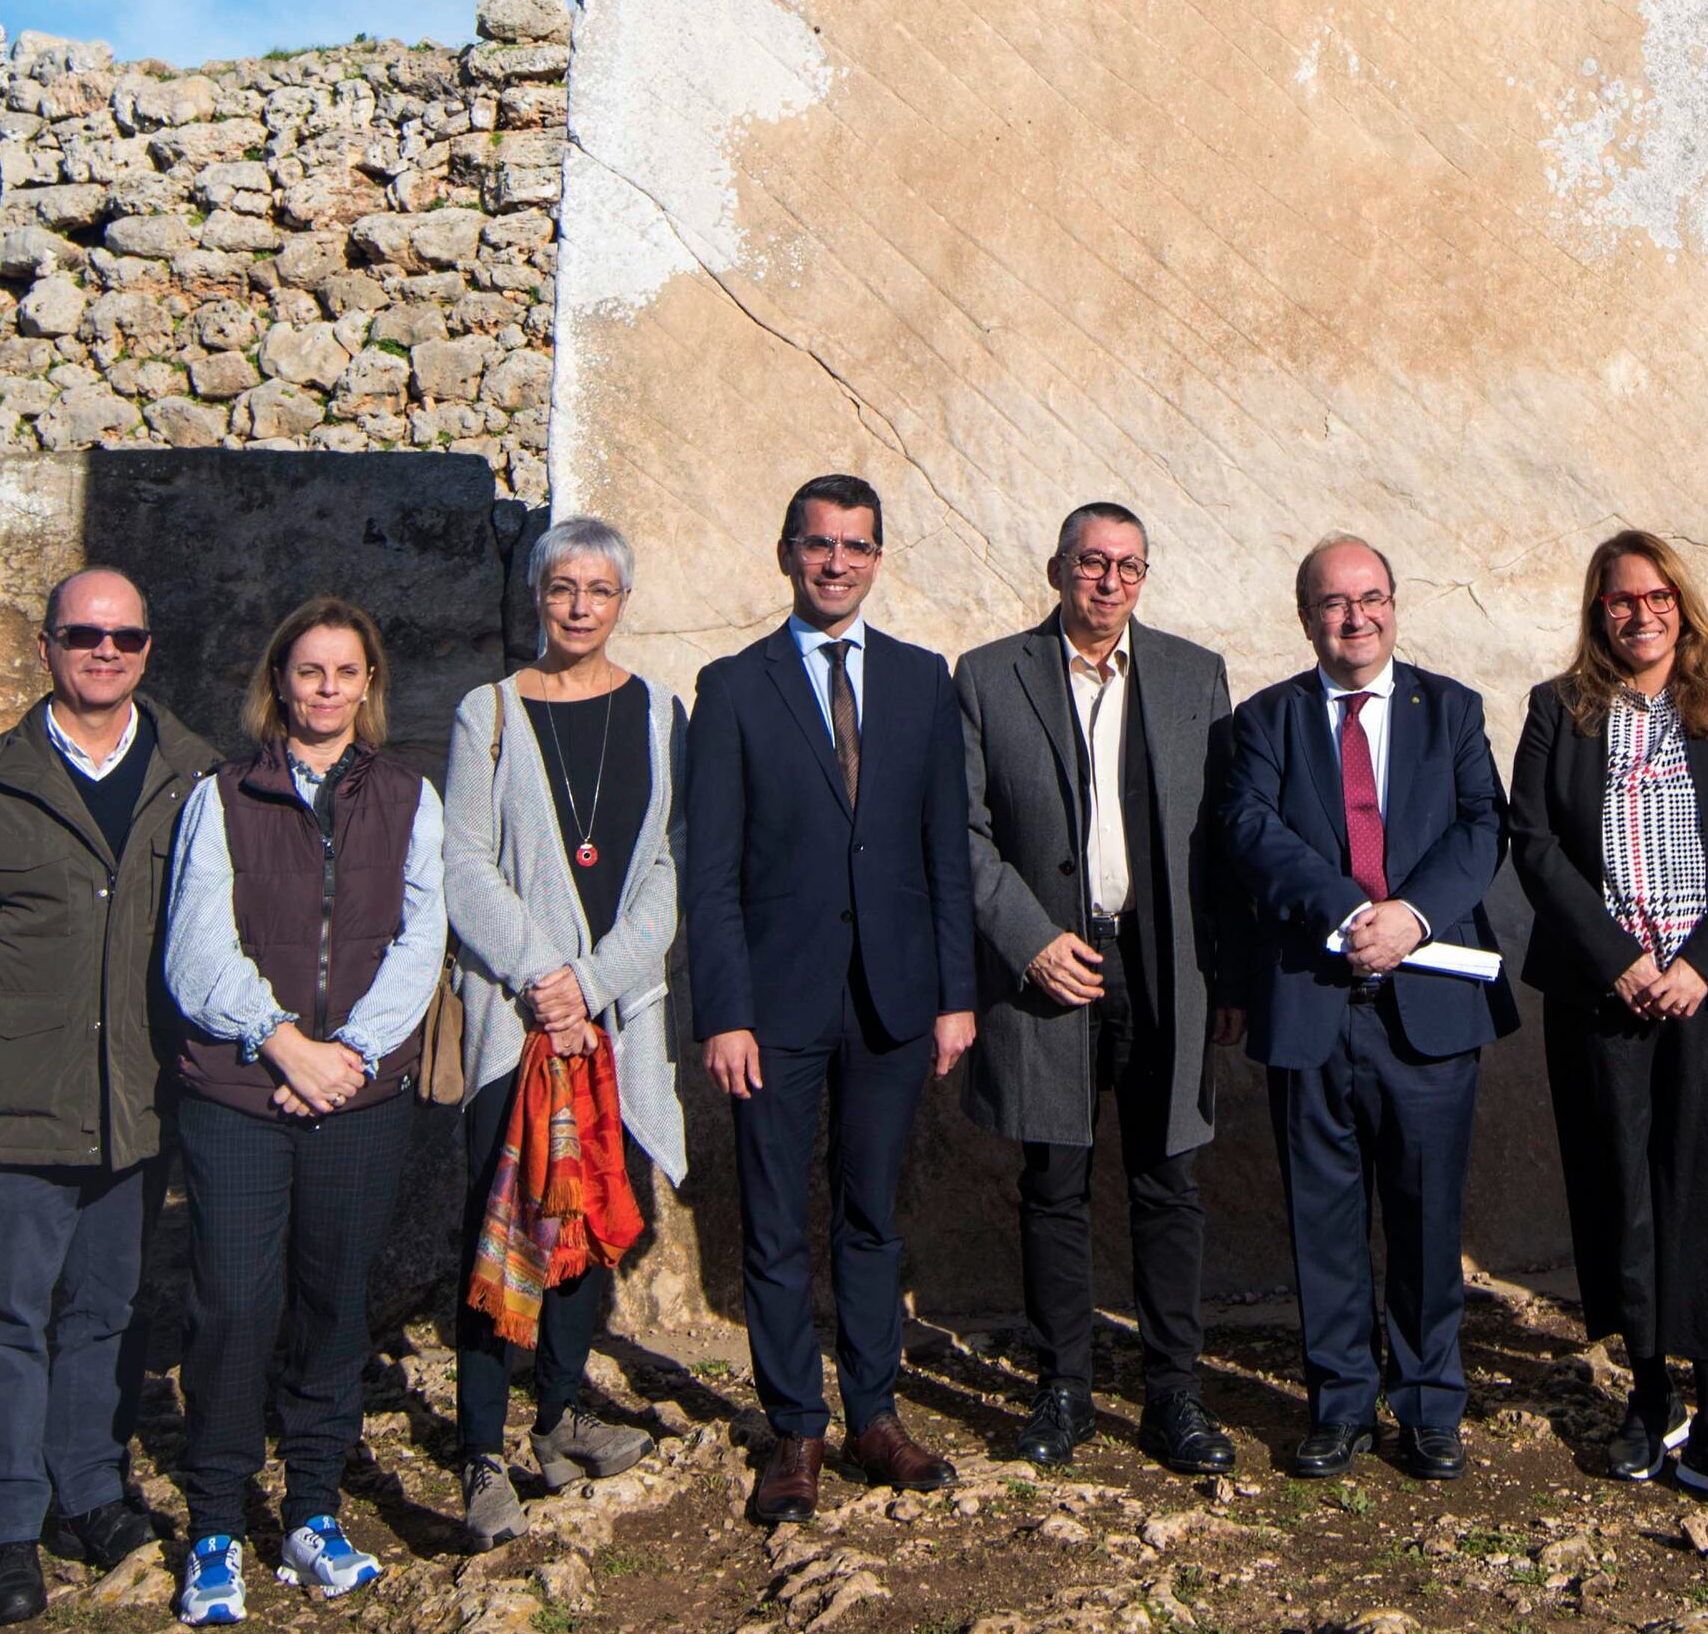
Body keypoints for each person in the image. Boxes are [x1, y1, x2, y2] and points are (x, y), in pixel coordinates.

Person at [679, 474, 979, 1524]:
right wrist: (722, 1008)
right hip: (771, 1001)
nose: (836, 561)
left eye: (855, 545)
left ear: (877, 557)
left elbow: (946, 847)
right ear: (785, 553)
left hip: (893, 998)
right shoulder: (732, 686)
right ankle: (792, 1428)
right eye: (818, 544)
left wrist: (955, 993)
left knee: (869, 1215)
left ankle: (874, 1413)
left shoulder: (917, 678)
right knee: (770, 1219)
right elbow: (706, 866)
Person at [160, 596, 448, 1622]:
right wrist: (282, 1040)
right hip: (240, 1087)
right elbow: (196, 948)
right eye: (307, 670)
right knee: (234, 1304)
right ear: (277, 682)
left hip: (359, 1094)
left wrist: (351, 1054)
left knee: (334, 1303)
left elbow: (422, 939)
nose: (325, 688)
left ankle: (314, 1509)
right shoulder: (223, 794)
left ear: (367, 685)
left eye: (344, 671)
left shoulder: (408, 795)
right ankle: (214, 1524)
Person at [0, 565, 217, 1624]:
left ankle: (88, 1488)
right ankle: (4, 1521)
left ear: (149, 649)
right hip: (23, 1097)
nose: (105, 651)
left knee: (108, 1305)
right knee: (5, 1312)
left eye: (126, 636)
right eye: (83, 633)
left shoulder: (195, 777)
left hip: (140, 1094)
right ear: (45, 644)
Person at [1215, 537, 1514, 1481]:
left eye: (1372, 597)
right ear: (1307, 617)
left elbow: (1481, 826)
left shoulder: (1451, 710)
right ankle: (1339, 1404)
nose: (1357, 618)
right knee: (1324, 1218)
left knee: (1428, 1219)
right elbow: (1249, 831)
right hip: (1314, 1004)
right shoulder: (1265, 720)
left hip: (1426, 1007)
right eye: (1335, 603)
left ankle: (1428, 1403)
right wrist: (1349, 913)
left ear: (1396, 603)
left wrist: (1411, 916)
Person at [1504, 532, 1708, 1509]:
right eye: (1621, 599)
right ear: (1598, 610)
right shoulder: (1557, 711)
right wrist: (1620, 958)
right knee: (1619, 1186)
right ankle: (1647, 1389)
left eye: (1657, 595)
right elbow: (1533, 843)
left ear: (1682, 603)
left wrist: (1697, 965)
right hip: (1604, 993)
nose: (1641, 613)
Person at [953, 502, 1237, 1474]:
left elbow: (1225, 833)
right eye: (1090, 561)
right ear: (1055, 568)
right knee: (1053, 1180)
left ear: (1143, 576)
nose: (1107, 580)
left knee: (1168, 1178)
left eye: (1126, 565)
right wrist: (1029, 939)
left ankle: (1172, 1392)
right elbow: (963, 829)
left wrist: (1227, 968)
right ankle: (1062, 1387)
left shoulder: (1194, 675)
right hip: (1050, 968)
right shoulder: (989, 675)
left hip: (1163, 966)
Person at [436, 517, 683, 1541]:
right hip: (517, 1017)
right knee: (503, 1226)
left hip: (614, 1017)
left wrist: (590, 980)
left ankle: (561, 1413)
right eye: (561, 587)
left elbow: (668, 869)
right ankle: (481, 1446)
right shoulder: (486, 712)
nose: (579, 605)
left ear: (621, 600)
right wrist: (544, 979)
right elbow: (462, 861)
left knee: (585, 1222)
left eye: (598, 589)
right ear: (536, 596)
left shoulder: (660, 709)